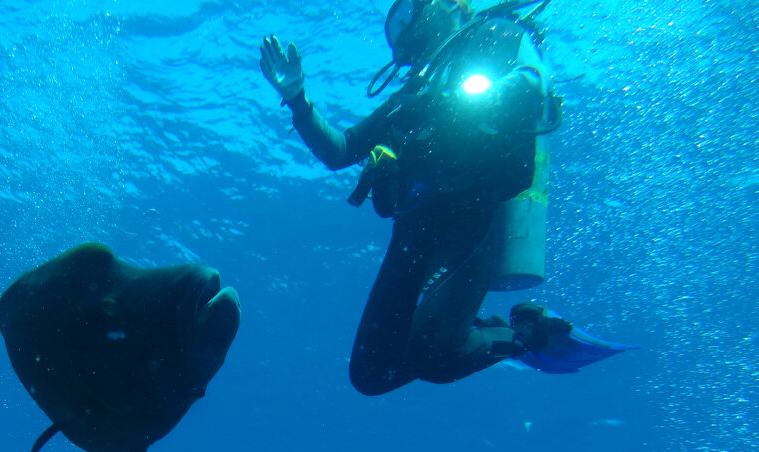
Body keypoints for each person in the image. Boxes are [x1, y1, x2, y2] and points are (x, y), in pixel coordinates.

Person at [260, 0, 624, 394]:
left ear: (448, 6)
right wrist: (297, 98)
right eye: (394, 26)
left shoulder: (493, 34)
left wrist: (476, 100)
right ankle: (495, 333)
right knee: (370, 374)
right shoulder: (410, 96)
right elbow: (341, 150)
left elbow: (532, 80)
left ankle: (527, 333)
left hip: (471, 223)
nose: (403, 31)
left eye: (407, 15)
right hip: (411, 237)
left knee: (435, 357)